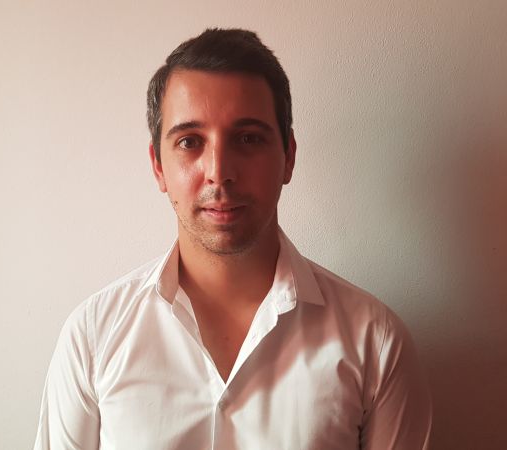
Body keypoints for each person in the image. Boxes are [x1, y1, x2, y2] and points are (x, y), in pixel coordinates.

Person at [33, 28, 432, 450]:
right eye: (190, 142)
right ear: (158, 166)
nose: (219, 171)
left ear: (288, 157)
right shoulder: (93, 338)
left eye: (248, 139)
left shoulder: (375, 343)